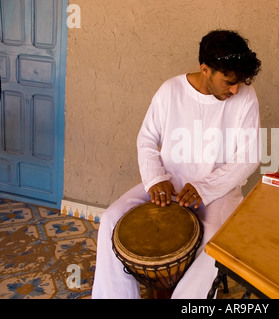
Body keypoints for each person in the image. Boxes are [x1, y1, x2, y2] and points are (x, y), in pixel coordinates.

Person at [92, 29, 262, 299]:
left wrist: (205, 187)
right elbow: (147, 138)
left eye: (239, 81)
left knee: (214, 242)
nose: (235, 89)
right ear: (205, 69)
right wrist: (155, 177)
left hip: (219, 192)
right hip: (170, 183)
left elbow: (249, 157)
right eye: (229, 81)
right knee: (112, 218)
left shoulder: (245, 98)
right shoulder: (171, 90)